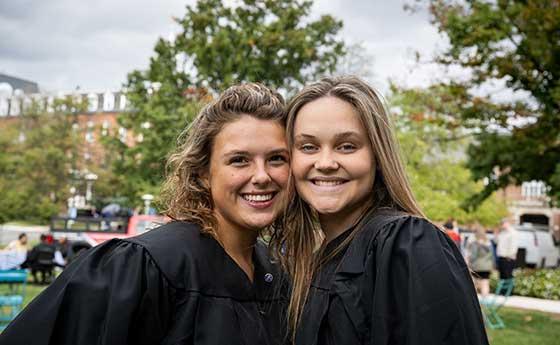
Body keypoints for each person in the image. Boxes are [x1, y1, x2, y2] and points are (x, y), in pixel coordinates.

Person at [0, 83, 289, 345]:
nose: (262, 176)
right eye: (239, 160)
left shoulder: (278, 273)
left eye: (277, 158)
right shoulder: (144, 266)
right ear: (203, 173)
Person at [271, 76, 488, 345]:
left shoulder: (407, 245)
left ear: (377, 156)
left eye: (347, 146)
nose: (325, 162)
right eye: (308, 147)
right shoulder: (312, 262)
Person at [466, 224, 494, 297]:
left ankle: (475, 300)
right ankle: (485, 300)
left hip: (477, 266)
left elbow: (473, 256)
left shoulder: (475, 243)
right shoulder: (488, 242)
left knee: (474, 283)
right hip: (487, 266)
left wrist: (469, 262)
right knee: (485, 283)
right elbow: (492, 255)